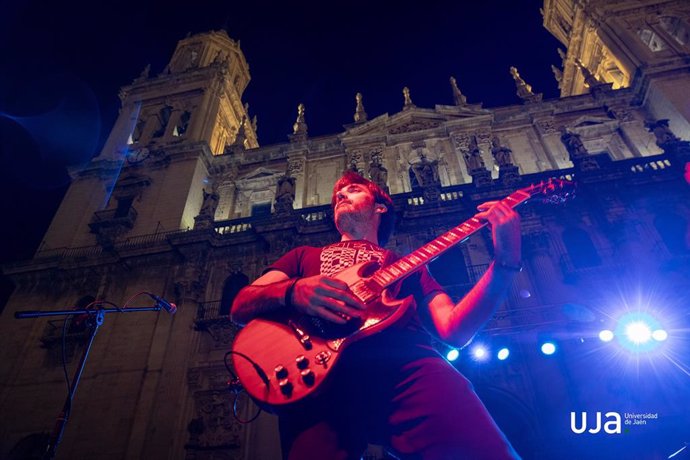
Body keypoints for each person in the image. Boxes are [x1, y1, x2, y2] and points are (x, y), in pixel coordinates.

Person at [231, 171, 522, 459]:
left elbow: (454, 329)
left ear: (380, 207)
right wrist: (293, 291)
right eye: (336, 197)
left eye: (354, 190)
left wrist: (505, 263)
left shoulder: (407, 266)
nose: (340, 196)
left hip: (406, 370)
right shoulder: (303, 256)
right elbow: (241, 304)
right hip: (316, 382)